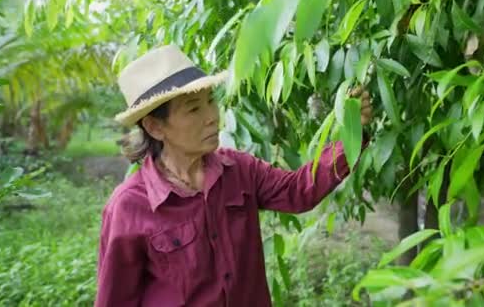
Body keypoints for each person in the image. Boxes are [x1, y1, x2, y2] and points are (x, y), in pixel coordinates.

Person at [95, 45, 373, 306]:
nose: (212, 117)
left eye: (210, 102)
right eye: (194, 109)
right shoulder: (129, 207)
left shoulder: (239, 171)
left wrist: (352, 133)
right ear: (155, 127)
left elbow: (299, 191)